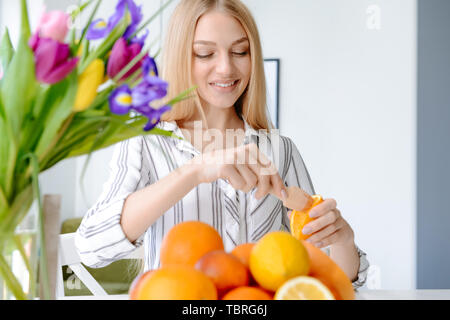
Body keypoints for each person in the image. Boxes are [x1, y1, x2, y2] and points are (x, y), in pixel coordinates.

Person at [75, 0, 369, 290]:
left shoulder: (280, 150)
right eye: (205, 54)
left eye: (240, 51)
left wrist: (343, 241)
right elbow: (91, 247)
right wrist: (196, 170)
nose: (226, 68)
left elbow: (328, 280)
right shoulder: (147, 143)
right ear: (181, 57)